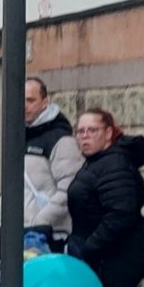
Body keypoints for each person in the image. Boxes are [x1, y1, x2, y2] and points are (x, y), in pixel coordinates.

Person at [66, 107, 144, 287]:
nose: (85, 136)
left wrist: (88, 247)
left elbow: (121, 214)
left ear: (108, 133)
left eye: (92, 130)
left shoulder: (113, 163)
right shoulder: (98, 161)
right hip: (110, 257)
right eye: (80, 131)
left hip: (120, 259)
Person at [22, 77, 82, 245]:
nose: (24, 106)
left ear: (45, 102)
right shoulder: (20, 135)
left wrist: (38, 224)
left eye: (30, 100)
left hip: (44, 237)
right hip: (17, 233)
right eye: (21, 100)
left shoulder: (61, 139)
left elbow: (68, 190)